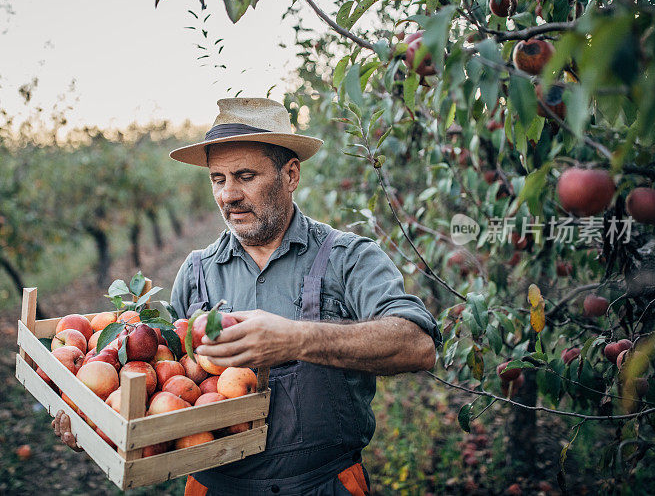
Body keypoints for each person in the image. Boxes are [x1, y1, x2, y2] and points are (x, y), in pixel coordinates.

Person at [53, 97, 442, 495]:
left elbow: (418, 345)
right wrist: (96, 417)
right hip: (213, 486)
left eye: (245, 176)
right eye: (218, 179)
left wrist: (297, 338)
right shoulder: (198, 271)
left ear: (291, 174)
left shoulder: (349, 258)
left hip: (324, 485)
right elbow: (165, 388)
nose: (228, 195)